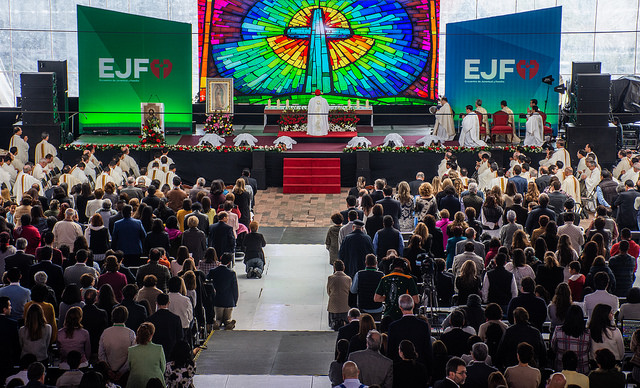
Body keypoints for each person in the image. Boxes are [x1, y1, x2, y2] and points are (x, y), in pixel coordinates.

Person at [387, 294, 433, 368]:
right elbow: (428, 351)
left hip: (399, 370)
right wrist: (429, 372)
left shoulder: (393, 327)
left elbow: (390, 352)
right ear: (413, 305)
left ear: (400, 307)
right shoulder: (423, 325)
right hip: (419, 368)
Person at [374, 258, 419, 328]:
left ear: (391, 267)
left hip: (388, 316)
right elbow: (416, 300)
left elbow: (376, 298)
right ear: (404, 267)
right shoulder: (408, 279)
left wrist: (388, 298)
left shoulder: (384, 279)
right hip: (403, 316)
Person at [98, 305, 136, 383]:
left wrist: (108, 369)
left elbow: (101, 353)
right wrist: (122, 371)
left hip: (108, 372)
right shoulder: (131, 333)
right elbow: (132, 355)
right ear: (126, 317)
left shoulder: (105, 332)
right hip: (125, 374)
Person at [551, 304, 591, 374]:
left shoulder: (558, 330)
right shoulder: (587, 333)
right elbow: (589, 349)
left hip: (561, 369)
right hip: (582, 370)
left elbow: (553, 348)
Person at [127, 322, 166, 387]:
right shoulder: (159, 348)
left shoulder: (131, 350)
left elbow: (130, 368)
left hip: (135, 383)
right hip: (156, 384)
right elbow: (163, 368)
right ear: (151, 334)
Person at [146, 293, 183, 360]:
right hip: (171, 353)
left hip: (155, 353)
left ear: (156, 303)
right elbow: (180, 337)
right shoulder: (175, 318)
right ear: (168, 303)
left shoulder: (150, 319)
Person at [207, 253, 238, 330]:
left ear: (220, 258)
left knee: (218, 318)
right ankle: (229, 323)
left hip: (217, 299)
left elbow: (207, 282)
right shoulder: (232, 273)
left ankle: (216, 323)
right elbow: (235, 288)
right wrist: (235, 301)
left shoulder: (213, 271)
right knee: (227, 318)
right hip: (229, 300)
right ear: (229, 262)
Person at [350, 255, 384, 319]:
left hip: (363, 307)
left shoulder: (359, 274)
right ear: (376, 263)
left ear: (365, 262)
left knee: (363, 327)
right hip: (377, 307)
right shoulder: (381, 275)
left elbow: (353, 290)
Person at [327, 260, 352, 330]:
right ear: (343, 268)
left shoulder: (330, 278)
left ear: (334, 268)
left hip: (334, 306)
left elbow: (328, 291)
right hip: (345, 306)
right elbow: (350, 292)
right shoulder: (348, 279)